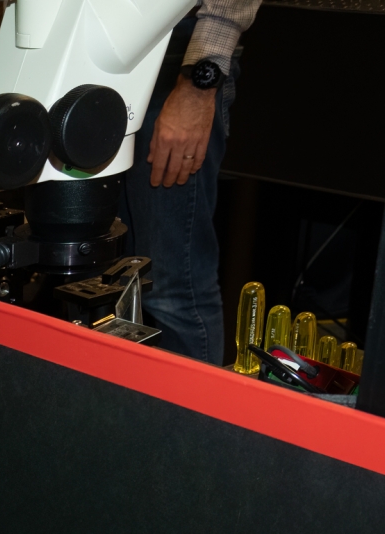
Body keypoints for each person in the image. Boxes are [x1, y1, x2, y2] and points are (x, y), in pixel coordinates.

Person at [118, 0, 260, 364]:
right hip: (78, 50)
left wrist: (199, 84)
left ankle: (189, 419)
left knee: (171, 289)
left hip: (176, 56)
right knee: (104, 281)